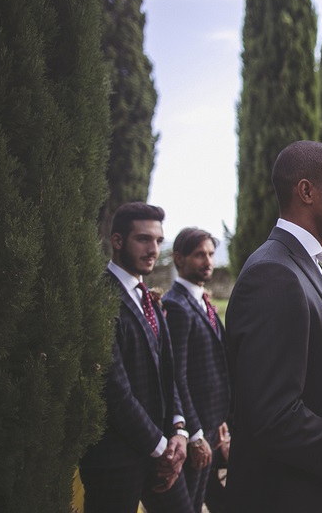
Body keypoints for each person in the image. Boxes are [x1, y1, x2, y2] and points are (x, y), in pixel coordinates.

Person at [225, 141, 322, 512]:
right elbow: (275, 418)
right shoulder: (273, 273)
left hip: (316, 491)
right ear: (306, 191)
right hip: (283, 497)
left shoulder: (316, 266)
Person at [79, 202, 192, 513]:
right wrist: (161, 448)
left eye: (158, 240)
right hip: (115, 460)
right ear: (117, 241)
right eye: (143, 239)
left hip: (163, 451)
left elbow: (168, 372)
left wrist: (179, 429)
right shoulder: (100, 298)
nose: (153, 249)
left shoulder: (150, 298)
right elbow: (114, 390)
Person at [162, 228, 230, 513]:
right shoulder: (176, 305)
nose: (208, 261)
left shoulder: (203, 301)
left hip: (213, 426)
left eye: (211, 254)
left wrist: (222, 421)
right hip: (193, 431)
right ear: (179, 258)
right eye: (200, 254)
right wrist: (194, 433)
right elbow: (176, 376)